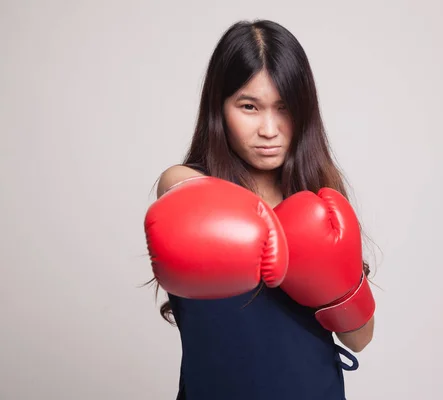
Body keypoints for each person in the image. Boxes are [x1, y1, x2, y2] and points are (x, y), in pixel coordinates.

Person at [143, 19, 376, 400]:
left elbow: (360, 338)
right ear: (219, 109)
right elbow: (175, 187)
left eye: (284, 108)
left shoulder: (319, 199)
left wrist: (335, 282)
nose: (269, 129)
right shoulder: (187, 187)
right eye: (249, 106)